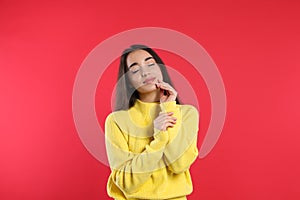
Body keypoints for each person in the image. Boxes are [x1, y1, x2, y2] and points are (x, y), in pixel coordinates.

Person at [104, 44, 199, 200]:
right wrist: (159, 139)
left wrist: (169, 107)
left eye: (150, 64)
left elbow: (179, 164)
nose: (145, 72)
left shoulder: (187, 114)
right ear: (128, 81)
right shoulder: (116, 121)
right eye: (135, 70)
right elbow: (126, 183)